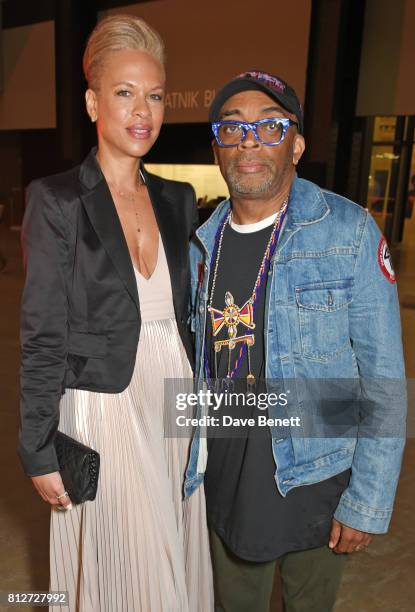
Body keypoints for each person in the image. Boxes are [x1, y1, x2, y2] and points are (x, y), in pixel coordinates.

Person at [185, 71, 406, 611]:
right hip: (225, 483)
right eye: (233, 129)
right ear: (218, 147)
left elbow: (383, 379)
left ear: (297, 145)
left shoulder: (348, 232)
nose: (250, 142)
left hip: (316, 479)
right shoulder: (199, 244)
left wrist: (367, 502)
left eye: (271, 127)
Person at [18, 15, 213, 612]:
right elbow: (42, 332)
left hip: (174, 393)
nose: (143, 110)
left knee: (173, 549)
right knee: (129, 569)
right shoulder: (57, 200)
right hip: (102, 403)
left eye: (154, 95)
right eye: (125, 93)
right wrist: (37, 446)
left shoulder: (178, 199)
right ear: (92, 100)